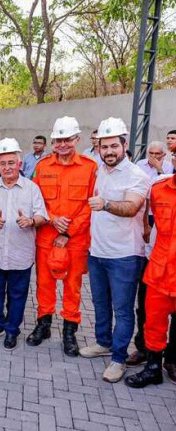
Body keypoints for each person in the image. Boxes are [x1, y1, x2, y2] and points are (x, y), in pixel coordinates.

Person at [79, 118, 150, 383]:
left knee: (122, 310)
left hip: (125, 256)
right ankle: (103, 342)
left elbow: (131, 207)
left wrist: (106, 204)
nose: (108, 151)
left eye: (113, 146)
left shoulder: (137, 176)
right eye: (103, 147)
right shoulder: (98, 169)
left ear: (124, 145)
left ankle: (119, 358)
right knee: (99, 303)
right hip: (97, 252)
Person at [27, 116, 97, 357]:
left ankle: (69, 332)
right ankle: (43, 324)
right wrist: (53, 218)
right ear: (53, 141)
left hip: (75, 241)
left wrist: (67, 231)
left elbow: (91, 205)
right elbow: (35, 200)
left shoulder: (90, 167)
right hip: (46, 237)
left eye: (68, 139)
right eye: (58, 140)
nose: (63, 144)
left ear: (77, 139)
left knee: (73, 287)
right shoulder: (43, 166)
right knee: (44, 285)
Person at [0, 138, 48, 350]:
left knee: (17, 296)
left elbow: (42, 216)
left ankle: (12, 330)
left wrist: (31, 221)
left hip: (21, 254)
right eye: (3, 163)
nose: (7, 167)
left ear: (19, 163)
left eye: (11, 162)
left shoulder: (32, 188)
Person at [125, 152, 176, 388]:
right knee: (153, 322)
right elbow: (148, 218)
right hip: (158, 271)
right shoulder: (159, 188)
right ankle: (153, 367)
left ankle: (172, 361)